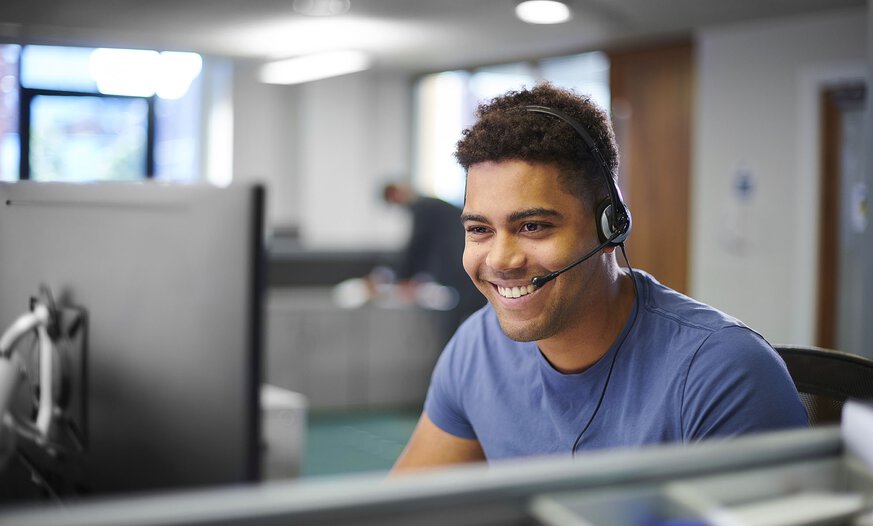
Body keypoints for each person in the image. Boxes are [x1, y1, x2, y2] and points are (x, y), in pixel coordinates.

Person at [391, 83, 808, 472]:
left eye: (534, 226)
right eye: (480, 230)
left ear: (611, 228)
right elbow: (406, 508)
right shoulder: (476, 348)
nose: (501, 259)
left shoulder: (724, 372)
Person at [379, 182, 485, 325]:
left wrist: (400, 276)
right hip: (465, 261)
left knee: (457, 318)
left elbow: (416, 246)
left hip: (458, 266)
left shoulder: (422, 208)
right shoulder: (430, 205)